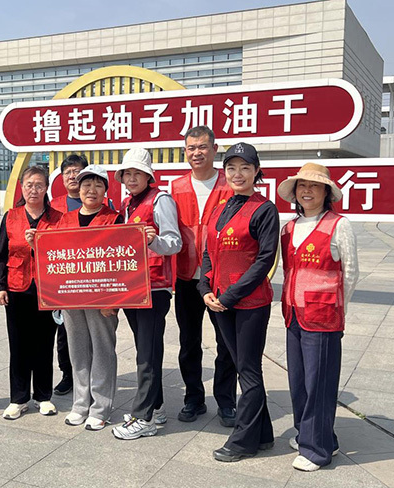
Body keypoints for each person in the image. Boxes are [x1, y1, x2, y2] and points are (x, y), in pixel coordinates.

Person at [27, 165, 124, 431]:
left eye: (98, 185)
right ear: (78, 190)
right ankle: (80, 404)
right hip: (71, 297)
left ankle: (101, 407)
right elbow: (53, 256)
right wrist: (36, 244)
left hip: (102, 298)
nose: (91, 190)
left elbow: (123, 262)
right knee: (78, 350)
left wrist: (114, 300)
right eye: (86, 185)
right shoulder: (65, 220)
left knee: (103, 350)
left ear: (105, 190)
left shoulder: (115, 219)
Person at [277, 163, 359, 472]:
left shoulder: (339, 225)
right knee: (299, 381)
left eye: (314, 185)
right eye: (302, 185)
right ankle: (310, 435)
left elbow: (351, 273)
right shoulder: (289, 228)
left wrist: (337, 309)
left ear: (326, 192)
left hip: (324, 316)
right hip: (293, 314)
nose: (307, 190)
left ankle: (317, 450)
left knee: (319, 384)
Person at [200, 142, 279, 462]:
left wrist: (230, 296)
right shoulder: (221, 207)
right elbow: (209, 251)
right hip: (219, 302)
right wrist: (204, 286)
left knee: (248, 371)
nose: (238, 174)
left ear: (256, 171)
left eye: (245, 168)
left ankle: (243, 442)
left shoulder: (265, 209)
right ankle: (264, 434)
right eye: (231, 167)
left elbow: (264, 261)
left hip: (249, 304)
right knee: (242, 367)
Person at [111, 148, 182, 440]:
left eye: (136, 173)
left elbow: (174, 242)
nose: (131, 178)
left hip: (154, 288)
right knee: (145, 350)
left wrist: (153, 241)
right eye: (127, 174)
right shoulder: (127, 204)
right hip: (133, 288)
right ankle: (158, 407)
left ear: (148, 176)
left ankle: (144, 418)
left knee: (148, 355)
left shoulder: (160, 199)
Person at [170, 126, 238, 425]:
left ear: (214, 149)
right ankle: (193, 398)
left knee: (226, 343)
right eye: (191, 148)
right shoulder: (176, 187)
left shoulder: (230, 185)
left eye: (202, 147)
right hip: (186, 278)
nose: (196, 153)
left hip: (220, 279)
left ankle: (226, 402)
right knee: (188, 342)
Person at [0, 165, 63, 420]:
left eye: (39, 185)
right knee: (19, 346)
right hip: (17, 289)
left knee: (44, 344)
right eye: (29, 185)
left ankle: (43, 397)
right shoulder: (11, 217)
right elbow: (0, 255)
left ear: (46, 189)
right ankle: (18, 398)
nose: (34, 190)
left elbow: (64, 253)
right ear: (22, 187)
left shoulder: (58, 218)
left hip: (47, 290)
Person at [49, 154, 89, 396]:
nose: (73, 176)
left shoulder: (100, 201)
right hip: (65, 279)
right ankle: (68, 374)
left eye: (77, 171)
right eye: (68, 173)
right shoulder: (53, 206)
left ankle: (91, 374)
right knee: (64, 332)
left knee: (92, 331)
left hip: (93, 278)